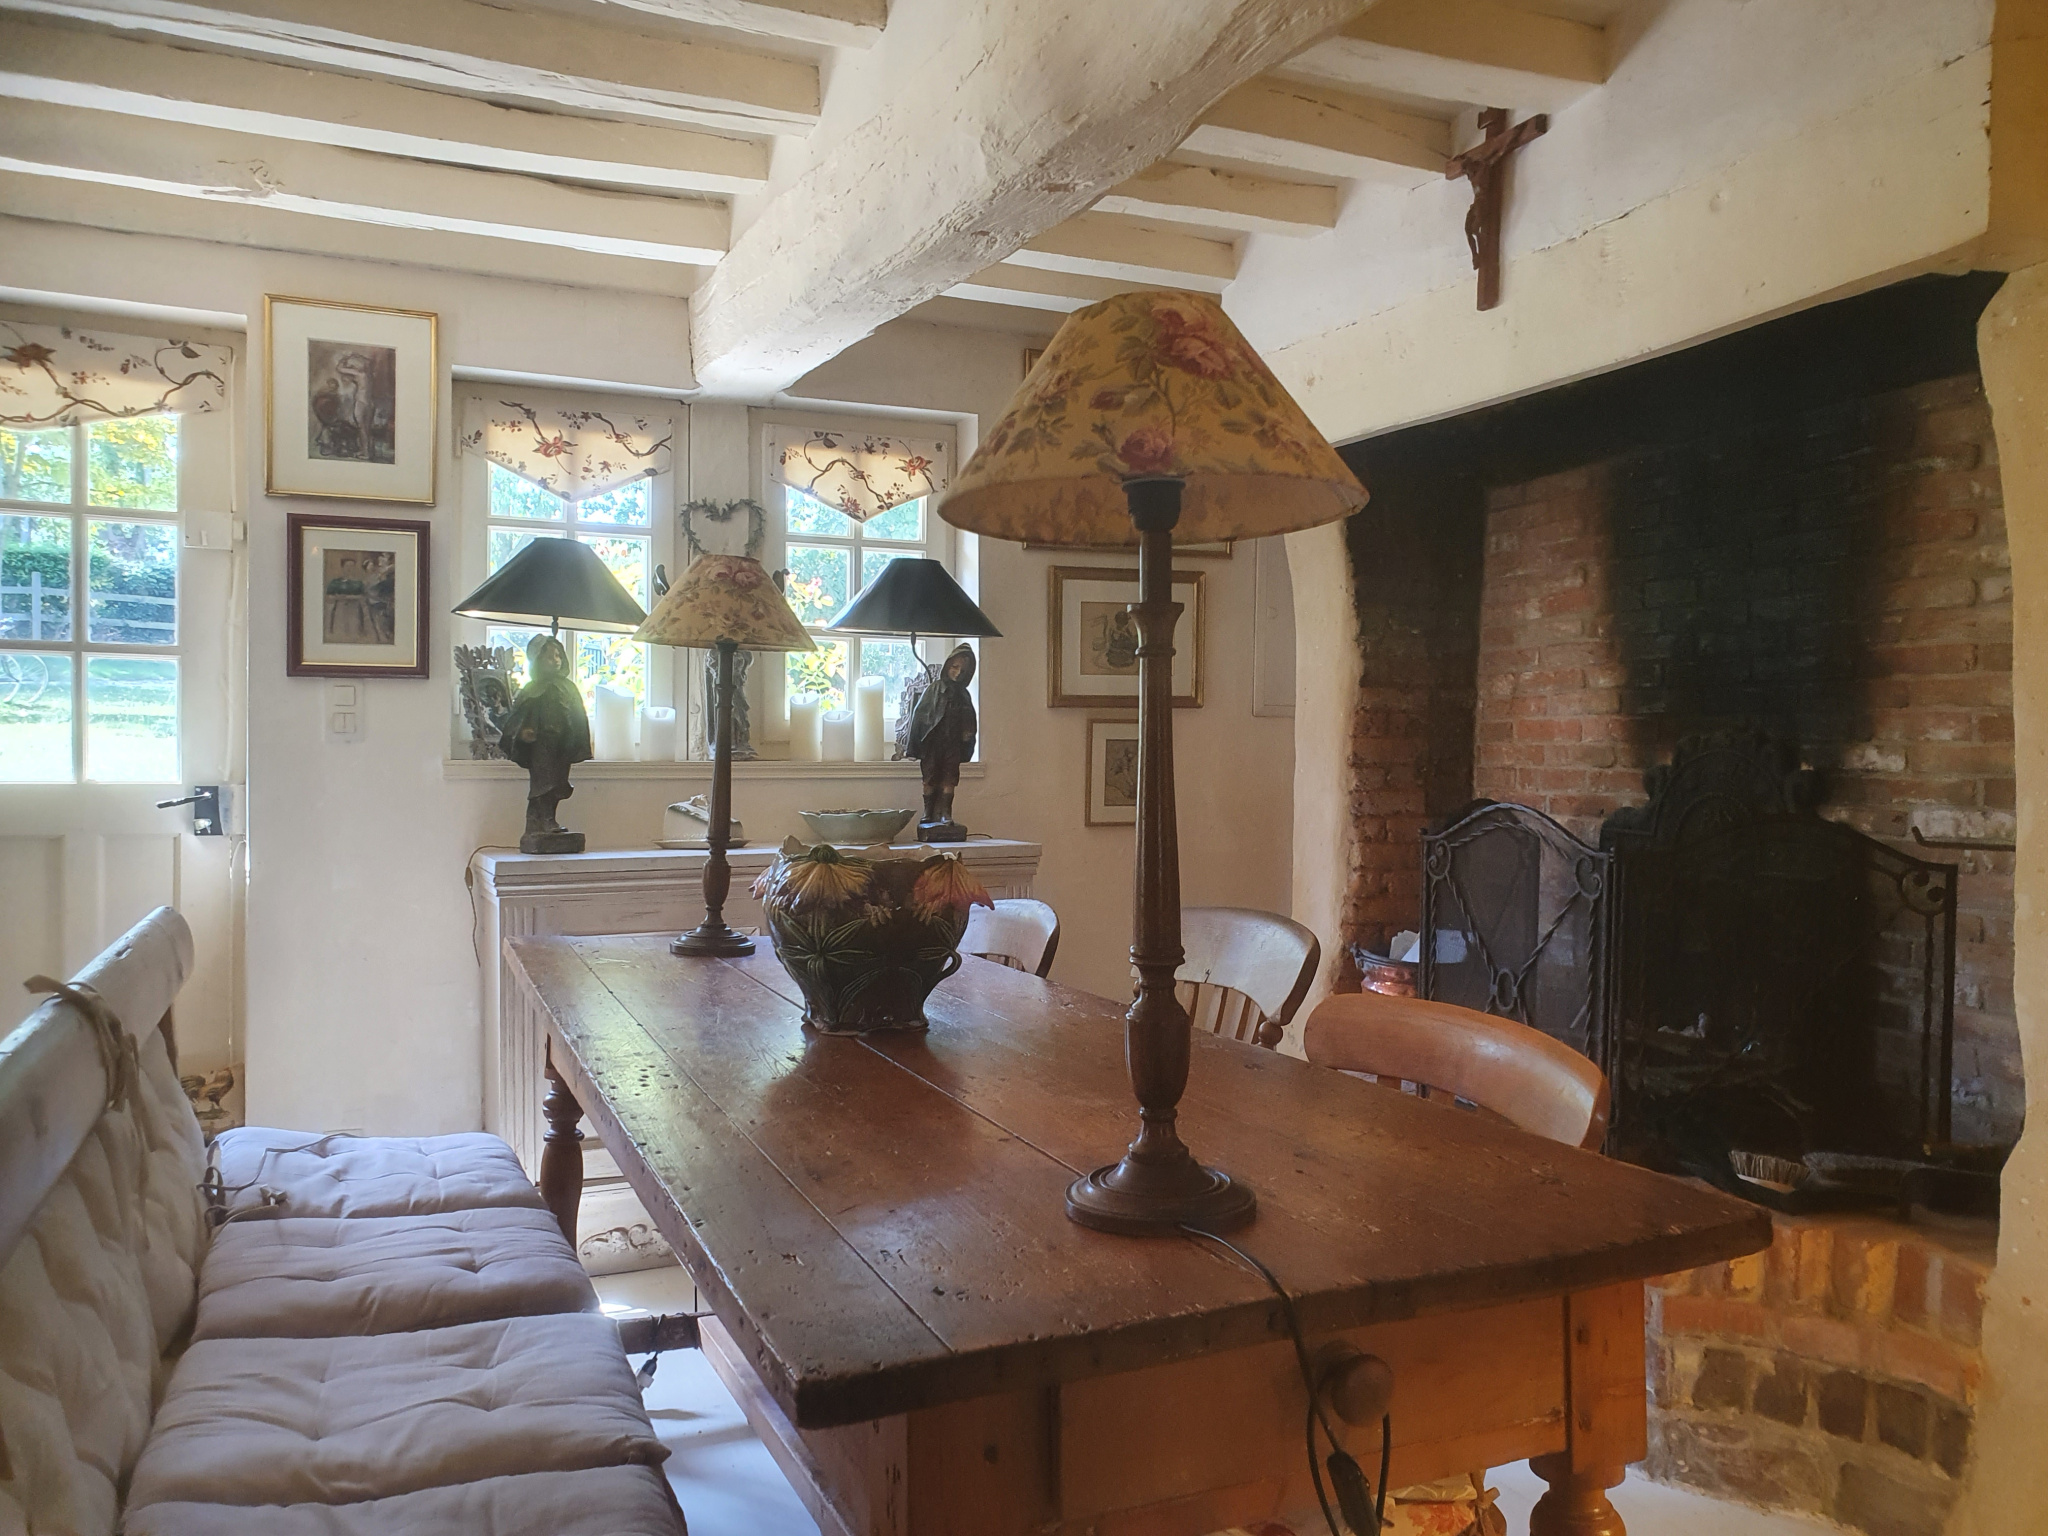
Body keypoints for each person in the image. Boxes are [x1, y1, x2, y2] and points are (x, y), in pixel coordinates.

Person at [499, 634, 592, 848]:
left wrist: (575, 738)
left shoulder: (568, 688)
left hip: (562, 744)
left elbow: (577, 715)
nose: (556, 660)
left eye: (558, 656)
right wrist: (524, 733)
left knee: (559, 783)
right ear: (538, 660)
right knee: (543, 784)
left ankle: (549, 819)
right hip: (542, 745)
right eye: (550, 657)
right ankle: (541, 821)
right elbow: (518, 718)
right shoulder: (532, 690)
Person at [902, 643, 977, 841]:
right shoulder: (934, 690)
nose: (958, 673)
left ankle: (945, 813)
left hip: (952, 744)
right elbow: (919, 716)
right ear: (948, 666)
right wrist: (913, 747)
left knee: (949, 779)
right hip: (933, 743)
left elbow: (970, 718)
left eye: (963, 670)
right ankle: (928, 813)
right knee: (930, 777)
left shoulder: (963, 695)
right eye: (955, 667)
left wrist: (967, 735)